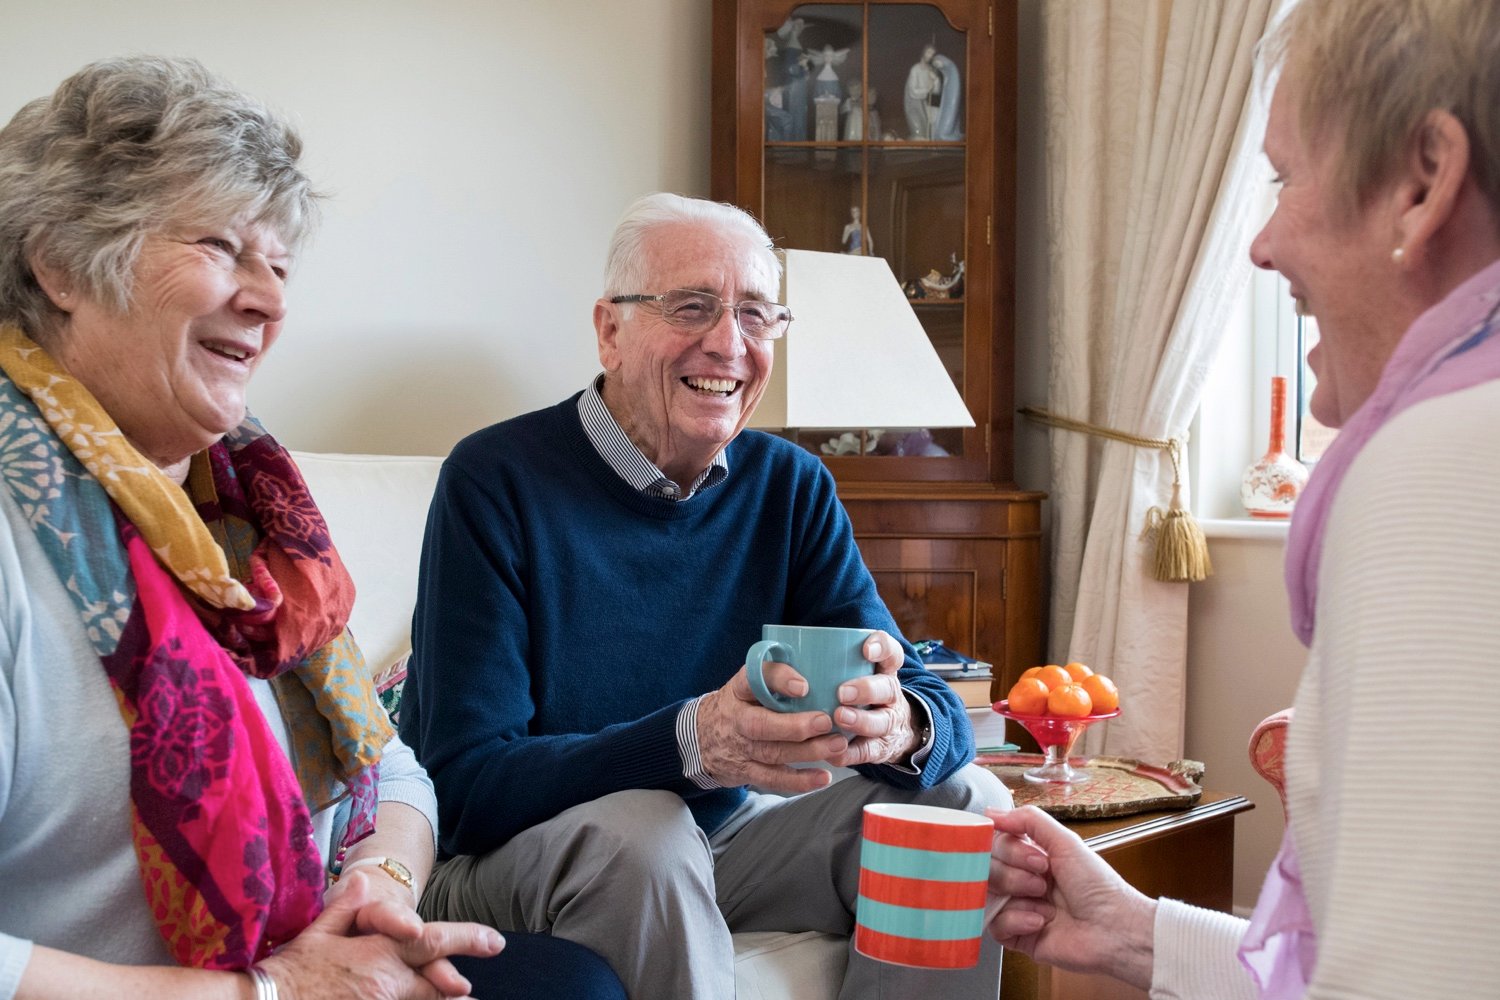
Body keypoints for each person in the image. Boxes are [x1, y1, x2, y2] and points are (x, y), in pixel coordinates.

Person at [0, 56, 622, 1000]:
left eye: (280, 265)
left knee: (573, 984)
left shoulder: (252, 509)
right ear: (58, 262)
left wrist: (379, 889)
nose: (272, 300)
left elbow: (395, 772)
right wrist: (272, 994)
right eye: (218, 246)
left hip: (297, 963)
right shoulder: (17, 532)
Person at [986, 1, 1500, 997]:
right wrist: (1141, 934)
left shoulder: (1439, 465)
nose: (1261, 243)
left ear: (1424, 181)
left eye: (1285, 177)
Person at [401, 191, 1012, 999]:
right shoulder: (494, 481)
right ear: (610, 330)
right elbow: (465, 787)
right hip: (518, 856)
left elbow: (923, 693)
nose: (729, 343)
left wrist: (898, 723)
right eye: (692, 307)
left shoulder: (789, 486)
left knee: (958, 799)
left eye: (757, 315)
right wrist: (690, 742)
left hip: (722, 842)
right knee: (645, 834)